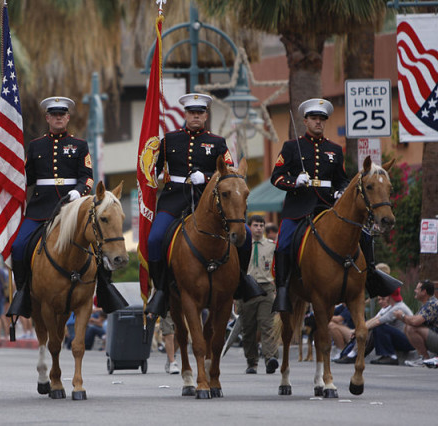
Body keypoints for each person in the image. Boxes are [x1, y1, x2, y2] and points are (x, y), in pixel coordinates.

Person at [145, 93, 262, 316]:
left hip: (209, 201)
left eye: (200, 112)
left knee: (244, 236)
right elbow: (154, 170)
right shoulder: (169, 139)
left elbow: (230, 172)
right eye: (192, 112)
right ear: (185, 114)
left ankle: (242, 281)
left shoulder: (217, 142)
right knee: (155, 239)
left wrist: (207, 177)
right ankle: (160, 291)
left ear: (206, 115)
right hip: (174, 199)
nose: (196, 116)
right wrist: (149, 166)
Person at [8, 97, 95, 318]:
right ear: (47, 118)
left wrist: (78, 191)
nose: (58, 118)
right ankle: (23, 293)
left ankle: (103, 289)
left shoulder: (79, 145)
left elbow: (88, 178)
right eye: (54, 114)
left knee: (99, 244)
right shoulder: (36, 145)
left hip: (71, 209)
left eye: (62, 114)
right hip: (40, 210)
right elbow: (25, 179)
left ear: (67, 117)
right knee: (18, 247)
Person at [270, 99, 350, 313]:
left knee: (361, 234)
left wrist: (342, 190)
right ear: (305, 121)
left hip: (327, 205)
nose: (318, 122)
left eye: (322, 119)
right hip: (298, 207)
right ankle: (284, 290)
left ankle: (370, 276)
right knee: (283, 243)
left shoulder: (334, 149)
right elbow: (276, 177)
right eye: (314, 118)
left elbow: (342, 179)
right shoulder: (291, 147)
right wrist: (294, 182)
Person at [240, 215, 279, 374]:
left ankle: (270, 358)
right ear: (249, 227)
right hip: (247, 287)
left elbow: (276, 266)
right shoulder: (242, 245)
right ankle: (252, 361)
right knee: (248, 328)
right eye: (255, 225)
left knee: (267, 325)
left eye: (261, 225)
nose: (258, 228)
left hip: (265, 288)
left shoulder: (271, 246)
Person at [392, 280, 438, 367]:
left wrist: (402, 316)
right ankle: (424, 359)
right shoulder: (427, 304)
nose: (415, 291)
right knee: (408, 327)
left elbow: (415, 322)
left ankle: (424, 359)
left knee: (411, 328)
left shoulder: (433, 304)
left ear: (424, 292)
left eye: (417, 289)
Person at [368, 288, 414, 365]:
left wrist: (361, 330)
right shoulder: (394, 306)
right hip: (405, 340)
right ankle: (385, 355)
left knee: (380, 327)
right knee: (380, 327)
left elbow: (378, 321)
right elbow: (377, 318)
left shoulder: (397, 308)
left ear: (389, 297)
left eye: (384, 297)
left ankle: (391, 356)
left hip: (409, 342)